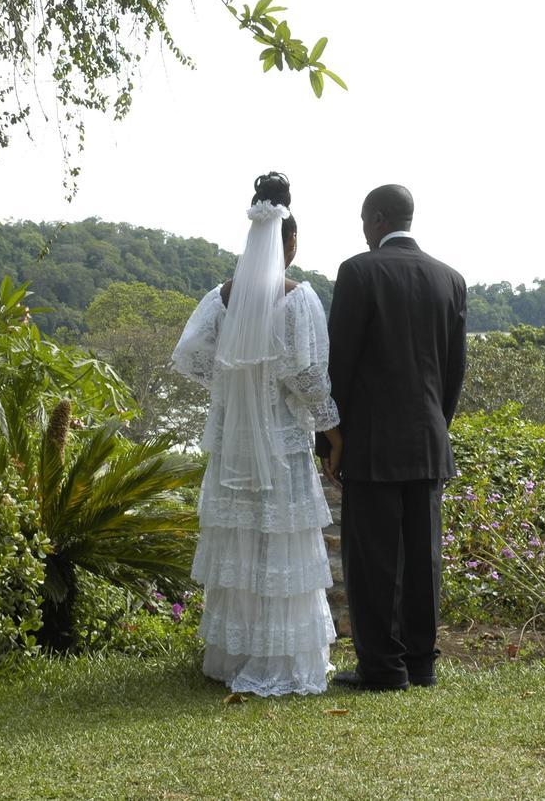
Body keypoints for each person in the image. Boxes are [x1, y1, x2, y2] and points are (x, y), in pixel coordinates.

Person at [172, 172, 343, 696]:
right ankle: (281, 659)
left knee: (241, 546)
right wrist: (333, 432)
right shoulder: (298, 300)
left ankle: (234, 655)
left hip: (233, 444)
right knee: (280, 546)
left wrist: (231, 387)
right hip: (282, 443)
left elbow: (191, 354)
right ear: (289, 242)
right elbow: (309, 377)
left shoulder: (219, 299)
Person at [319, 183, 466, 691]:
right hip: (427, 440)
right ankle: (421, 664)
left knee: (373, 559)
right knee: (423, 558)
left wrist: (330, 440)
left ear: (378, 219)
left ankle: (382, 667)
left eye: (364, 220)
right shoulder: (451, 279)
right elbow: (454, 373)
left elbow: (338, 364)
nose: (362, 230)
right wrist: (434, 430)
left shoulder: (359, 271)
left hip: (372, 444)